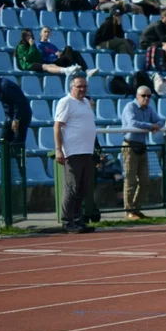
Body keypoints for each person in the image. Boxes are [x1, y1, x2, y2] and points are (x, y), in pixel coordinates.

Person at [54, 74, 99, 234]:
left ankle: (78, 220)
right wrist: (59, 149)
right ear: (71, 87)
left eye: (84, 86)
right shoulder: (65, 102)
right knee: (72, 188)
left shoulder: (86, 102)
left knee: (82, 188)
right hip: (73, 152)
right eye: (79, 86)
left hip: (86, 151)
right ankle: (67, 221)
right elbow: (57, 126)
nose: (82, 89)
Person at [119, 87, 162, 220]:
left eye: (149, 96)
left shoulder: (149, 109)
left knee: (145, 181)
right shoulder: (130, 107)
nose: (147, 98)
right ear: (137, 96)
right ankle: (128, 211)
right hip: (130, 146)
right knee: (130, 180)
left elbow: (159, 121)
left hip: (142, 146)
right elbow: (133, 123)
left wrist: (156, 125)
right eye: (144, 95)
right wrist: (151, 126)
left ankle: (136, 209)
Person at [0, 71, 32, 146]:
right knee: (4, 140)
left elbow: (19, 102)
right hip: (10, 117)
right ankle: (7, 157)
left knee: (17, 142)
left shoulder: (5, 86)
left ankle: (16, 157)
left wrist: (16, 119)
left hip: (21, 116)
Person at [16, 29, 95, 78]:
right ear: (41, 34)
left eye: (48, 32)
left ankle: (87, 70)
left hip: (57, 60)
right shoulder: (37, 44)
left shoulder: (52, 46)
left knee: (72, 50)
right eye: (45, 32)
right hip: (50, 61)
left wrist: (59, 55)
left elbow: (36, 56)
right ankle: (72, 68)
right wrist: (54, 56)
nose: (47, 33)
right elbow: (40, 58)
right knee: (68, 50)